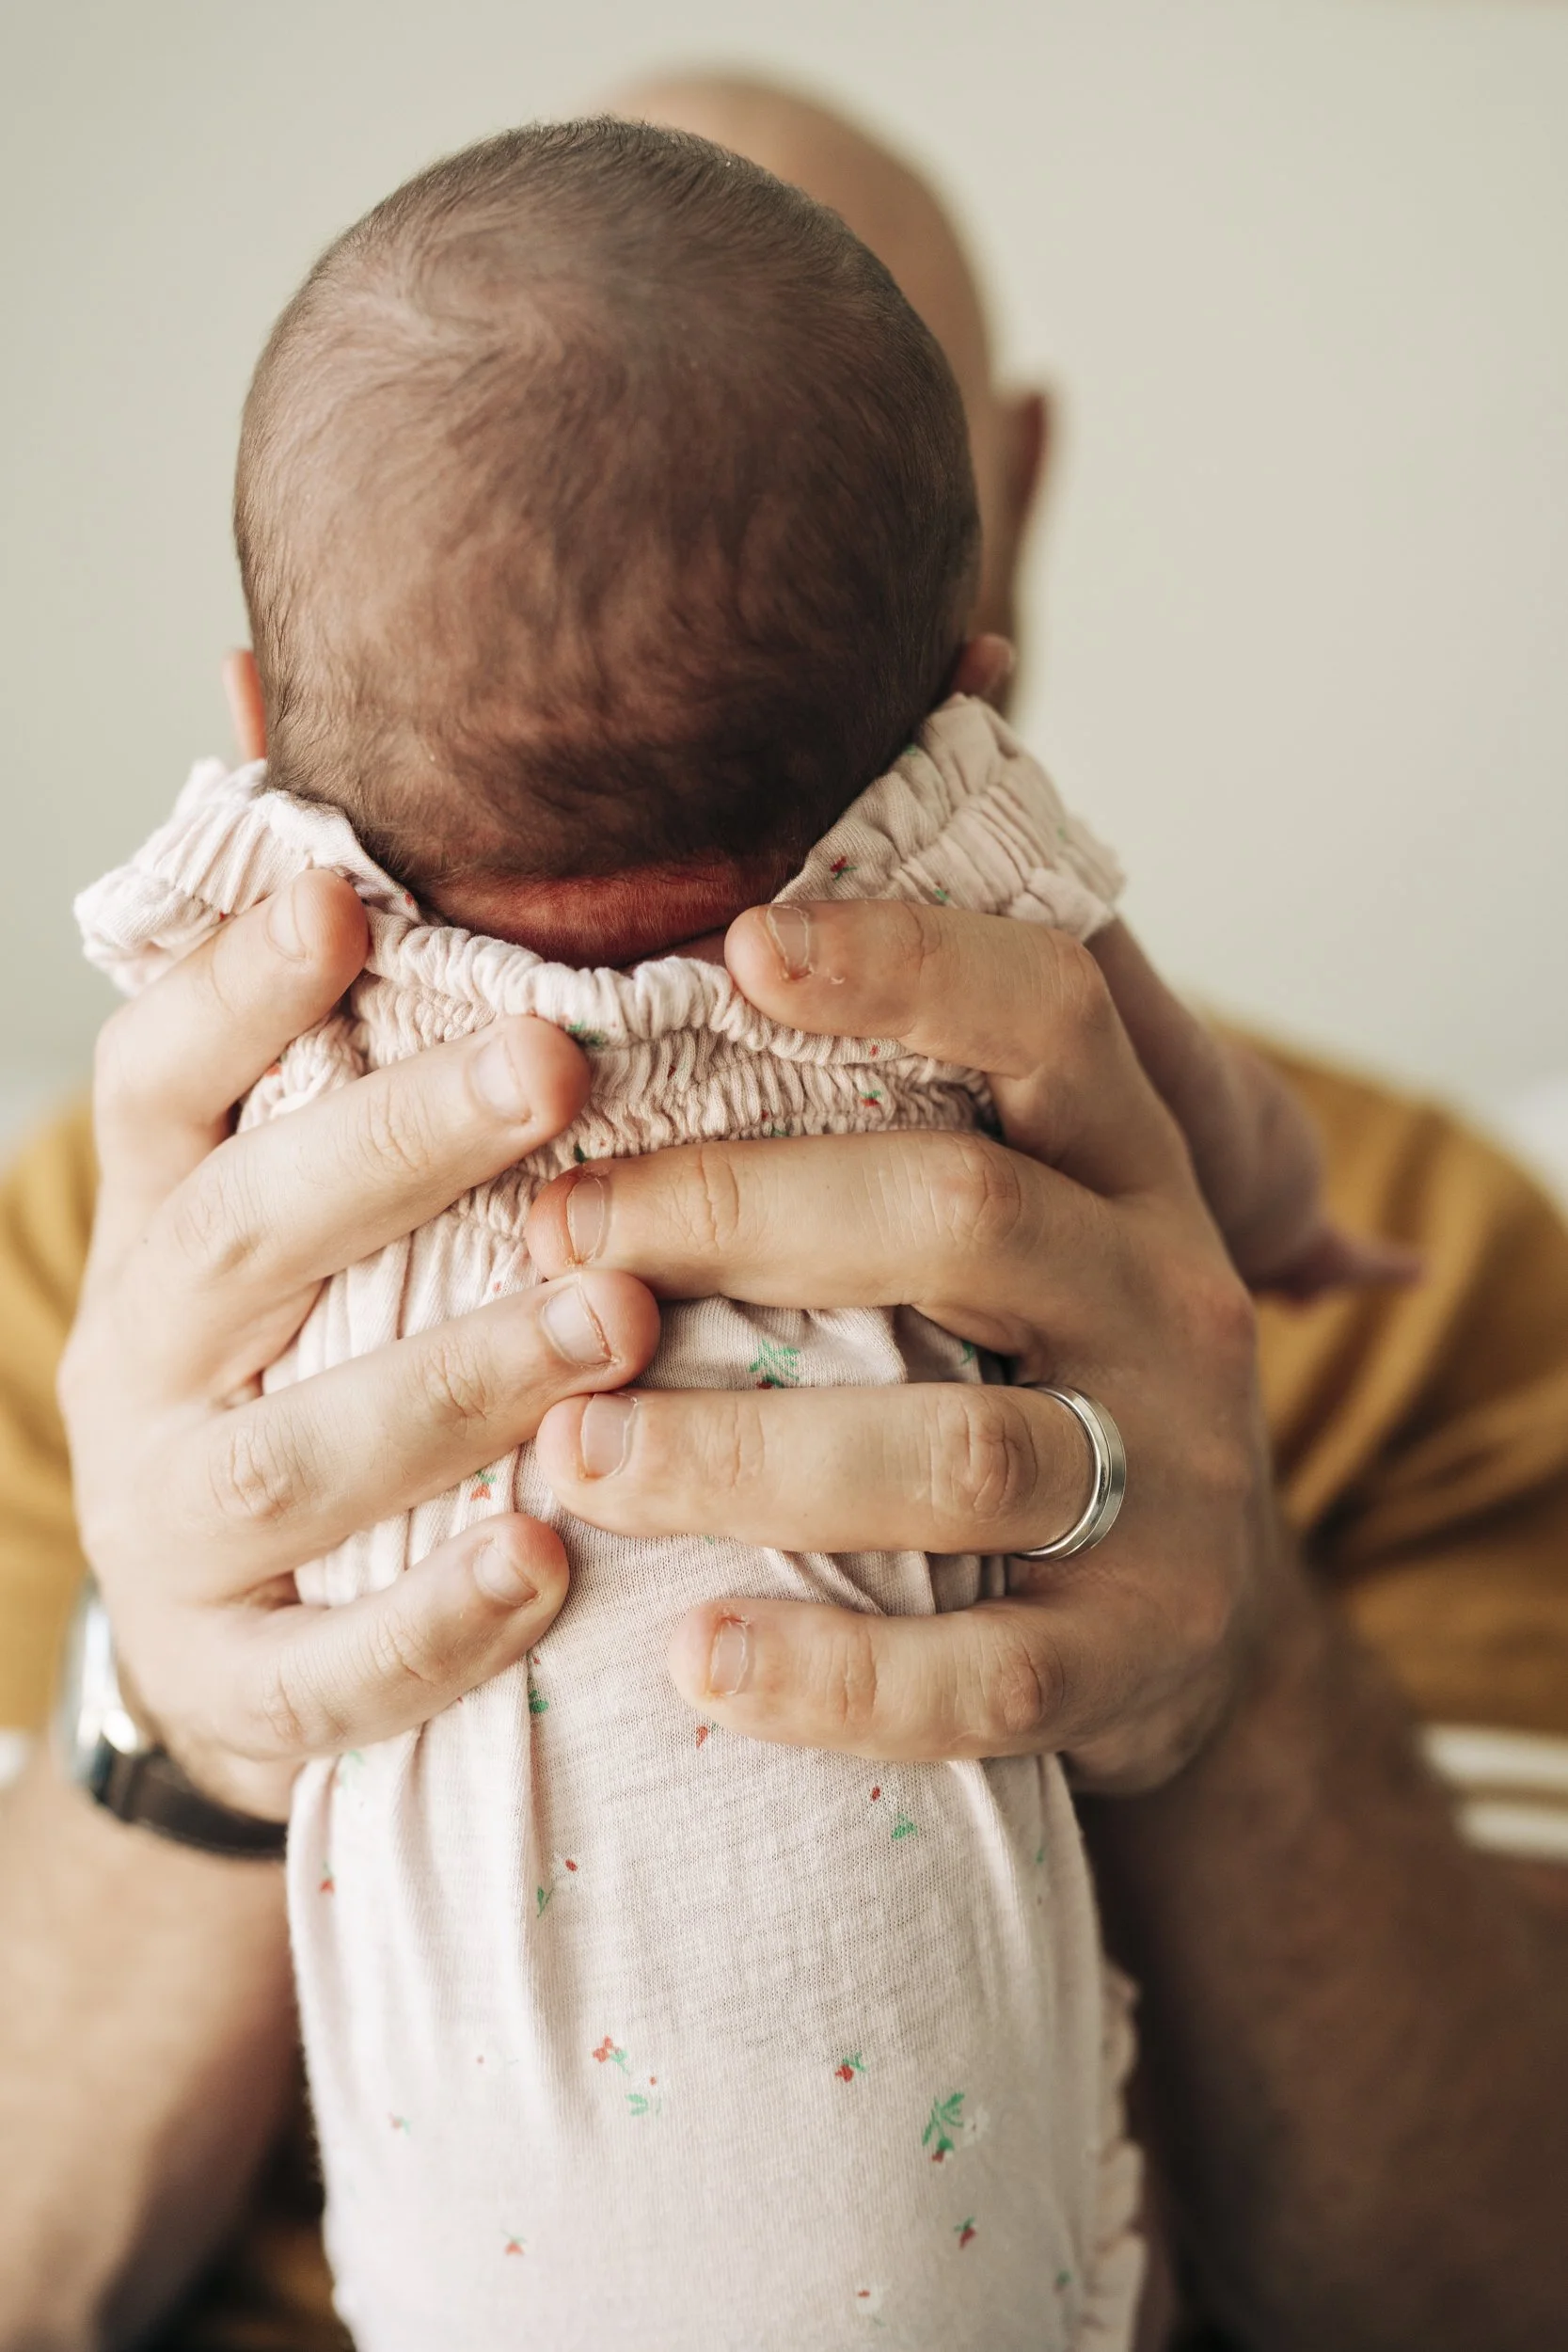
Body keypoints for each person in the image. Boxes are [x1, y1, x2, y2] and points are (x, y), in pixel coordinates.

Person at [2, 71, 1565, 2352]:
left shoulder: (1461, 1268)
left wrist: (1226, 1673)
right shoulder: (107, 1240)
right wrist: (181, 1709)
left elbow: (1508, 2273)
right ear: (964, 674)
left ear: (264, 737)